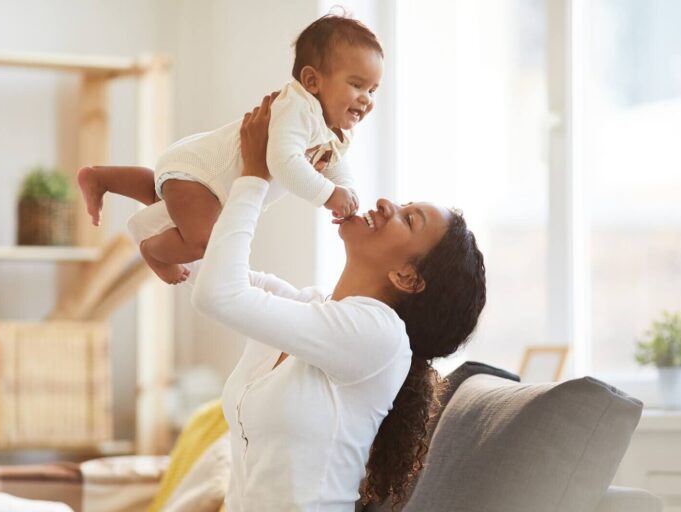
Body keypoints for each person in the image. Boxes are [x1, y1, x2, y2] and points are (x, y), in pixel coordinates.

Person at [189, 93, 488, 511]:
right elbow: (200, 266)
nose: (387, 204)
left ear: (407, 277)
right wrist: (280, 168)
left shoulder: (379, 336)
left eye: (408, 218)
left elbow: (217, 293)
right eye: (403, 205)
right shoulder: (310, 306)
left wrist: (255, 177)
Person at [77, 14, 382, 284]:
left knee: (161, 196)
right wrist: (328, 195)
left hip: (207, 181)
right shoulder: (297, 110)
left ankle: (102, 178)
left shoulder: (334, 129)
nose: (366, 98)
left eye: (372, 90)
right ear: (312, 80)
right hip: (202, 173)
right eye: (356, 85)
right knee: (205, 242)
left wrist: (347, 189)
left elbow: (333, 162)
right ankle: (153, 251)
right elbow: (283, 162)